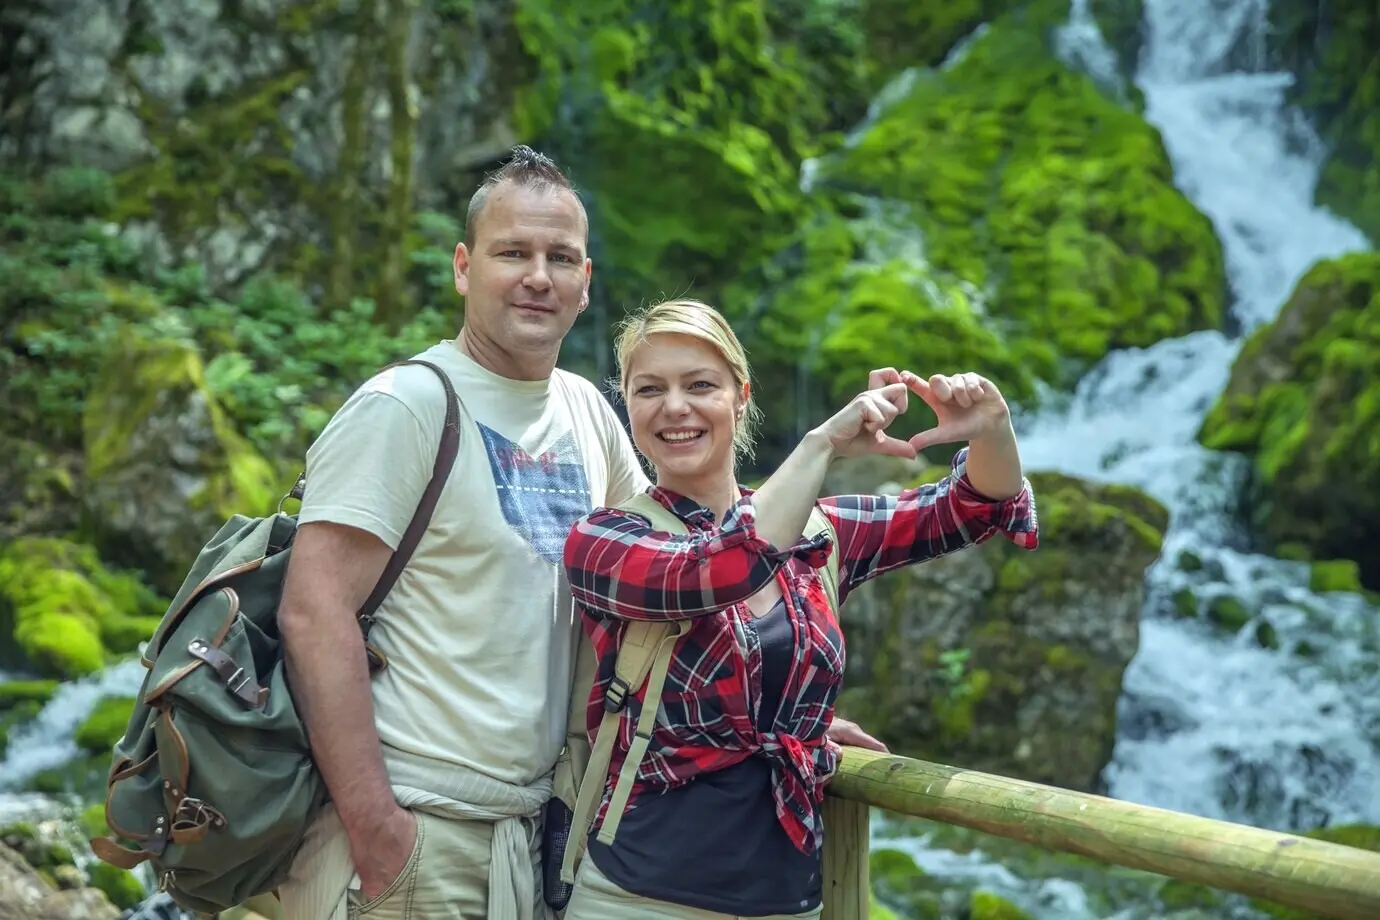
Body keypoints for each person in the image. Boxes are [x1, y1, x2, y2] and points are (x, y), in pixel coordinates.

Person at [269, 147, 883, 920]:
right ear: (464, 267)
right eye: (512, 253)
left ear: (586, 282)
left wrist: (786, 717)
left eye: (560, 257)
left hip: (539, 830)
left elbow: (681, 576)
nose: (538, 276)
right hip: (421, 827)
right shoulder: (405, 406)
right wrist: (378, 830)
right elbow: (311, 612)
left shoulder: (588, 412)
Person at [560, 299, 1040, 919]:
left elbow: (972, 508)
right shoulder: (607, 542)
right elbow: (725, 565)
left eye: (700, 385)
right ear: (628, 405)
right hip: (638, 898)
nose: (674, 406)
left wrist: (991, 426)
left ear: (741, 396)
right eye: (649, 389)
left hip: (788, 900)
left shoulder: (820, 533)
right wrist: (822, 444)